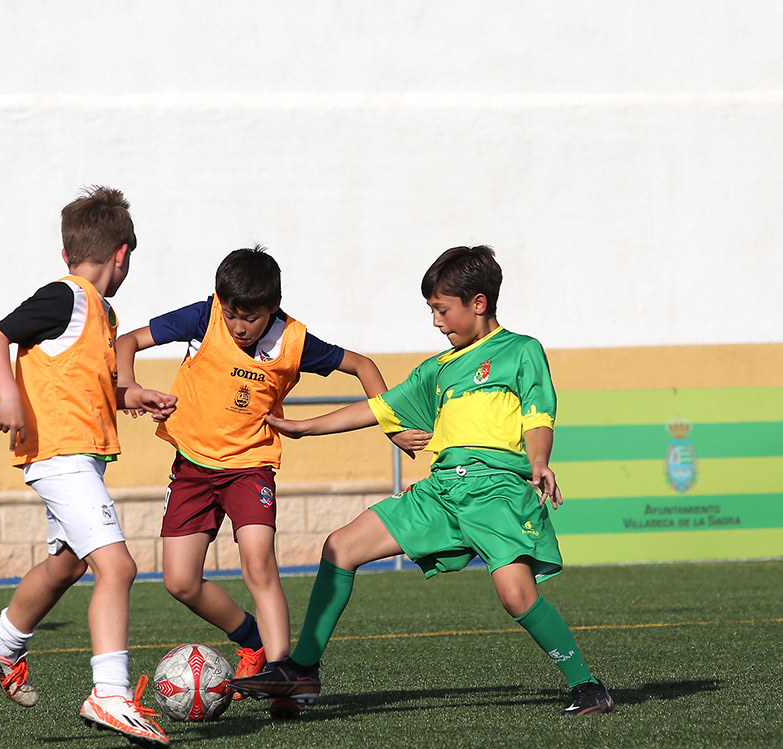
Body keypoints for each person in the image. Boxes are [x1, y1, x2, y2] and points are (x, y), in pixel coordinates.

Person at [231, 246, 616, 716]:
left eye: (442, 310)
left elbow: (538, 415)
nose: (436, 321)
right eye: (432, 310)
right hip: (441, 492)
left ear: (478, 303)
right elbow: (378, 408)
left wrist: (540, 461)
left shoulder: (521, 350)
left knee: (516, 596)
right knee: (340, 547)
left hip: (496, 491)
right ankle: (302, 671)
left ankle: (587, 686)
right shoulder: (438, 369)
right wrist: (303, 427)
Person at [115, 246, 387, 715]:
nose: (238, 326)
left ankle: (283, 676)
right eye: (232, 315)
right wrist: (129, 387)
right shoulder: (203, 317)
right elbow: (127, 342)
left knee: (258, 564)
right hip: (192, 466)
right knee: (180, 582)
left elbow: (362, 365)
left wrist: (393, 423)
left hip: (251, 466)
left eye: (251, 318)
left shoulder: (294, 341)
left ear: (273, 308)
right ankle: (251, 638)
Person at [0, 185, 177, 748]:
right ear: (123, 254)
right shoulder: (66, 296)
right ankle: (109, 694)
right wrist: (7, 395)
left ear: (69, 250)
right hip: (60, 455)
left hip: (80, 455)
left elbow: (92, 384)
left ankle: (1, 644)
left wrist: (134, 396)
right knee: (118, 568)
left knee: (65, 566)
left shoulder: (102, 313)